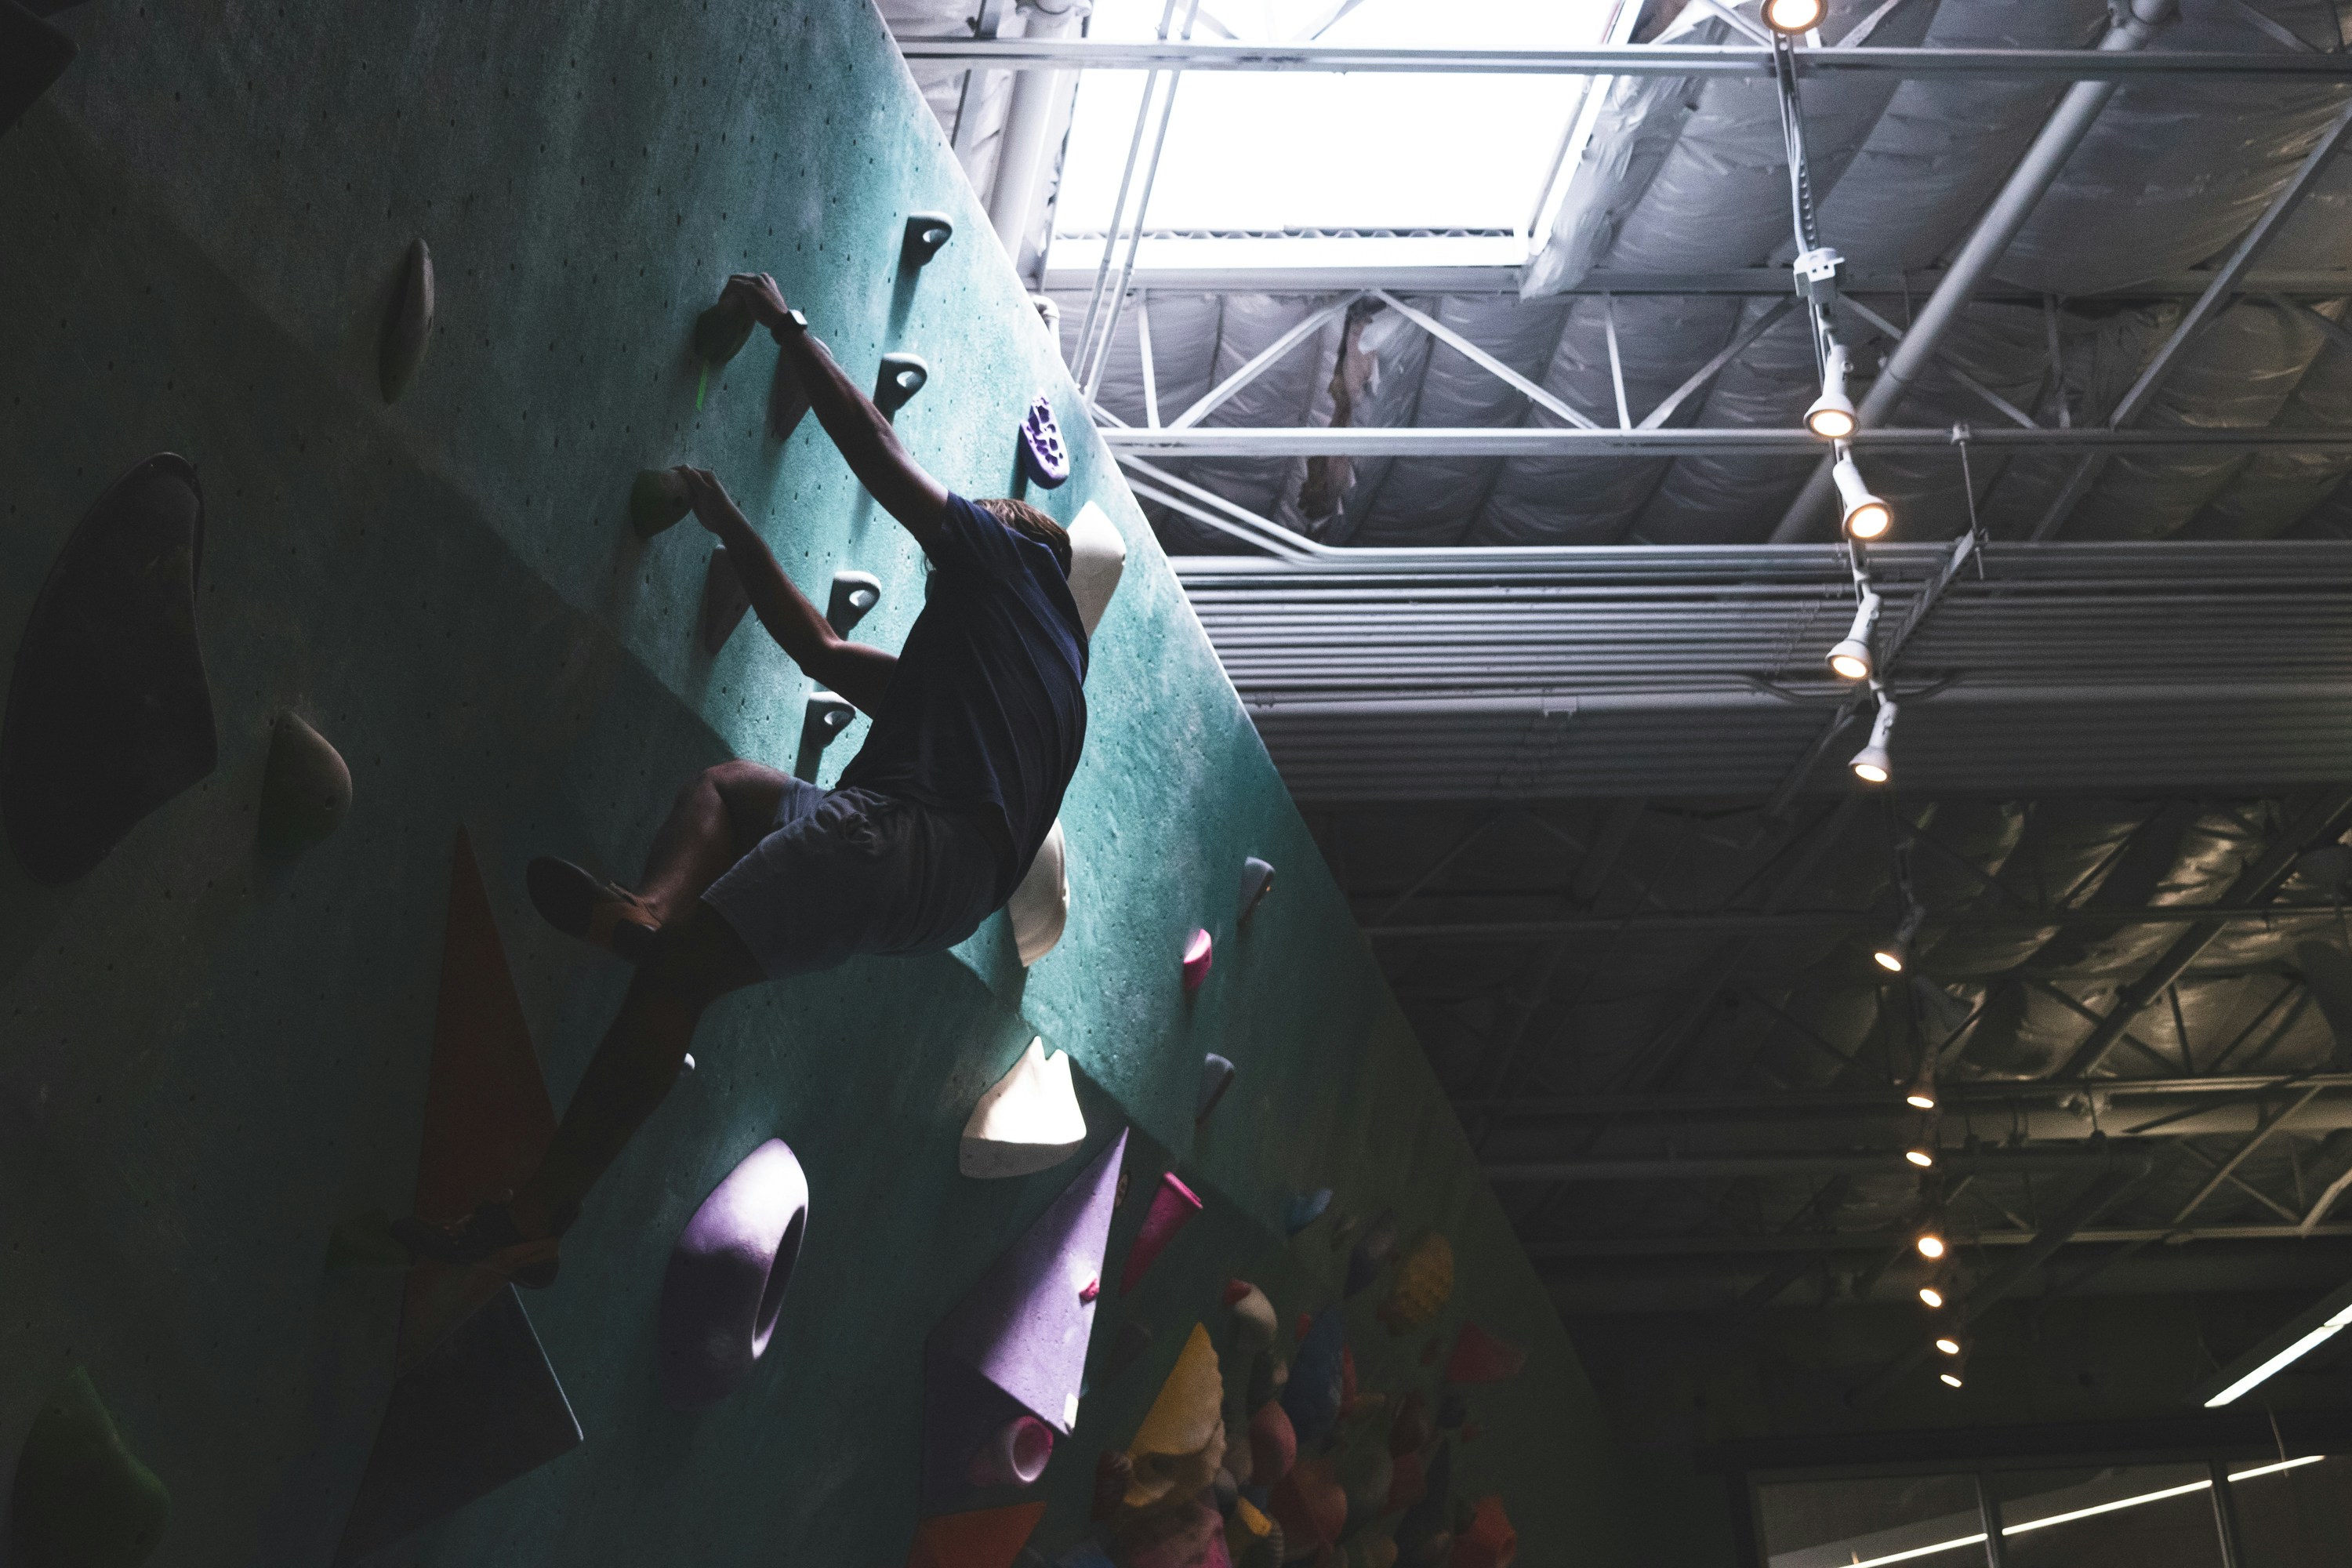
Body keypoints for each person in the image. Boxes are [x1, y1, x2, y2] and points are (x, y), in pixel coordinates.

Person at [392, 273, 1089, 1284]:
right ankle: (645, 911)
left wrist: (784, 326)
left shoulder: (1015, 564)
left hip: (909, 833)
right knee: (734, 790)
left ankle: (538, 1212)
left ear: (1011, 541)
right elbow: (823, 652)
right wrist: (731, 526)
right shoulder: (1036, 683)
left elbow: (881, 455)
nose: (946, 569)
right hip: (939, 885)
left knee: (683, 977)